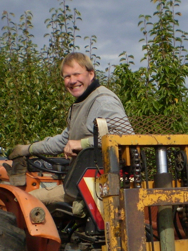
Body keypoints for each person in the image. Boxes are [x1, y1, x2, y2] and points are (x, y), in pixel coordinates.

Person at [8, 52, 132, 204]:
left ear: (91, 74)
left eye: (77, 74)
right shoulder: (82, 103)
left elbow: (126, 136)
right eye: (67, 76)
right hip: (83, 181)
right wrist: (27, 149)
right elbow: (63, 141)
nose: (72, 81)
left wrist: (82, 143)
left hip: (102, 185)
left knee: (23, 200)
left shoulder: (102, 101)